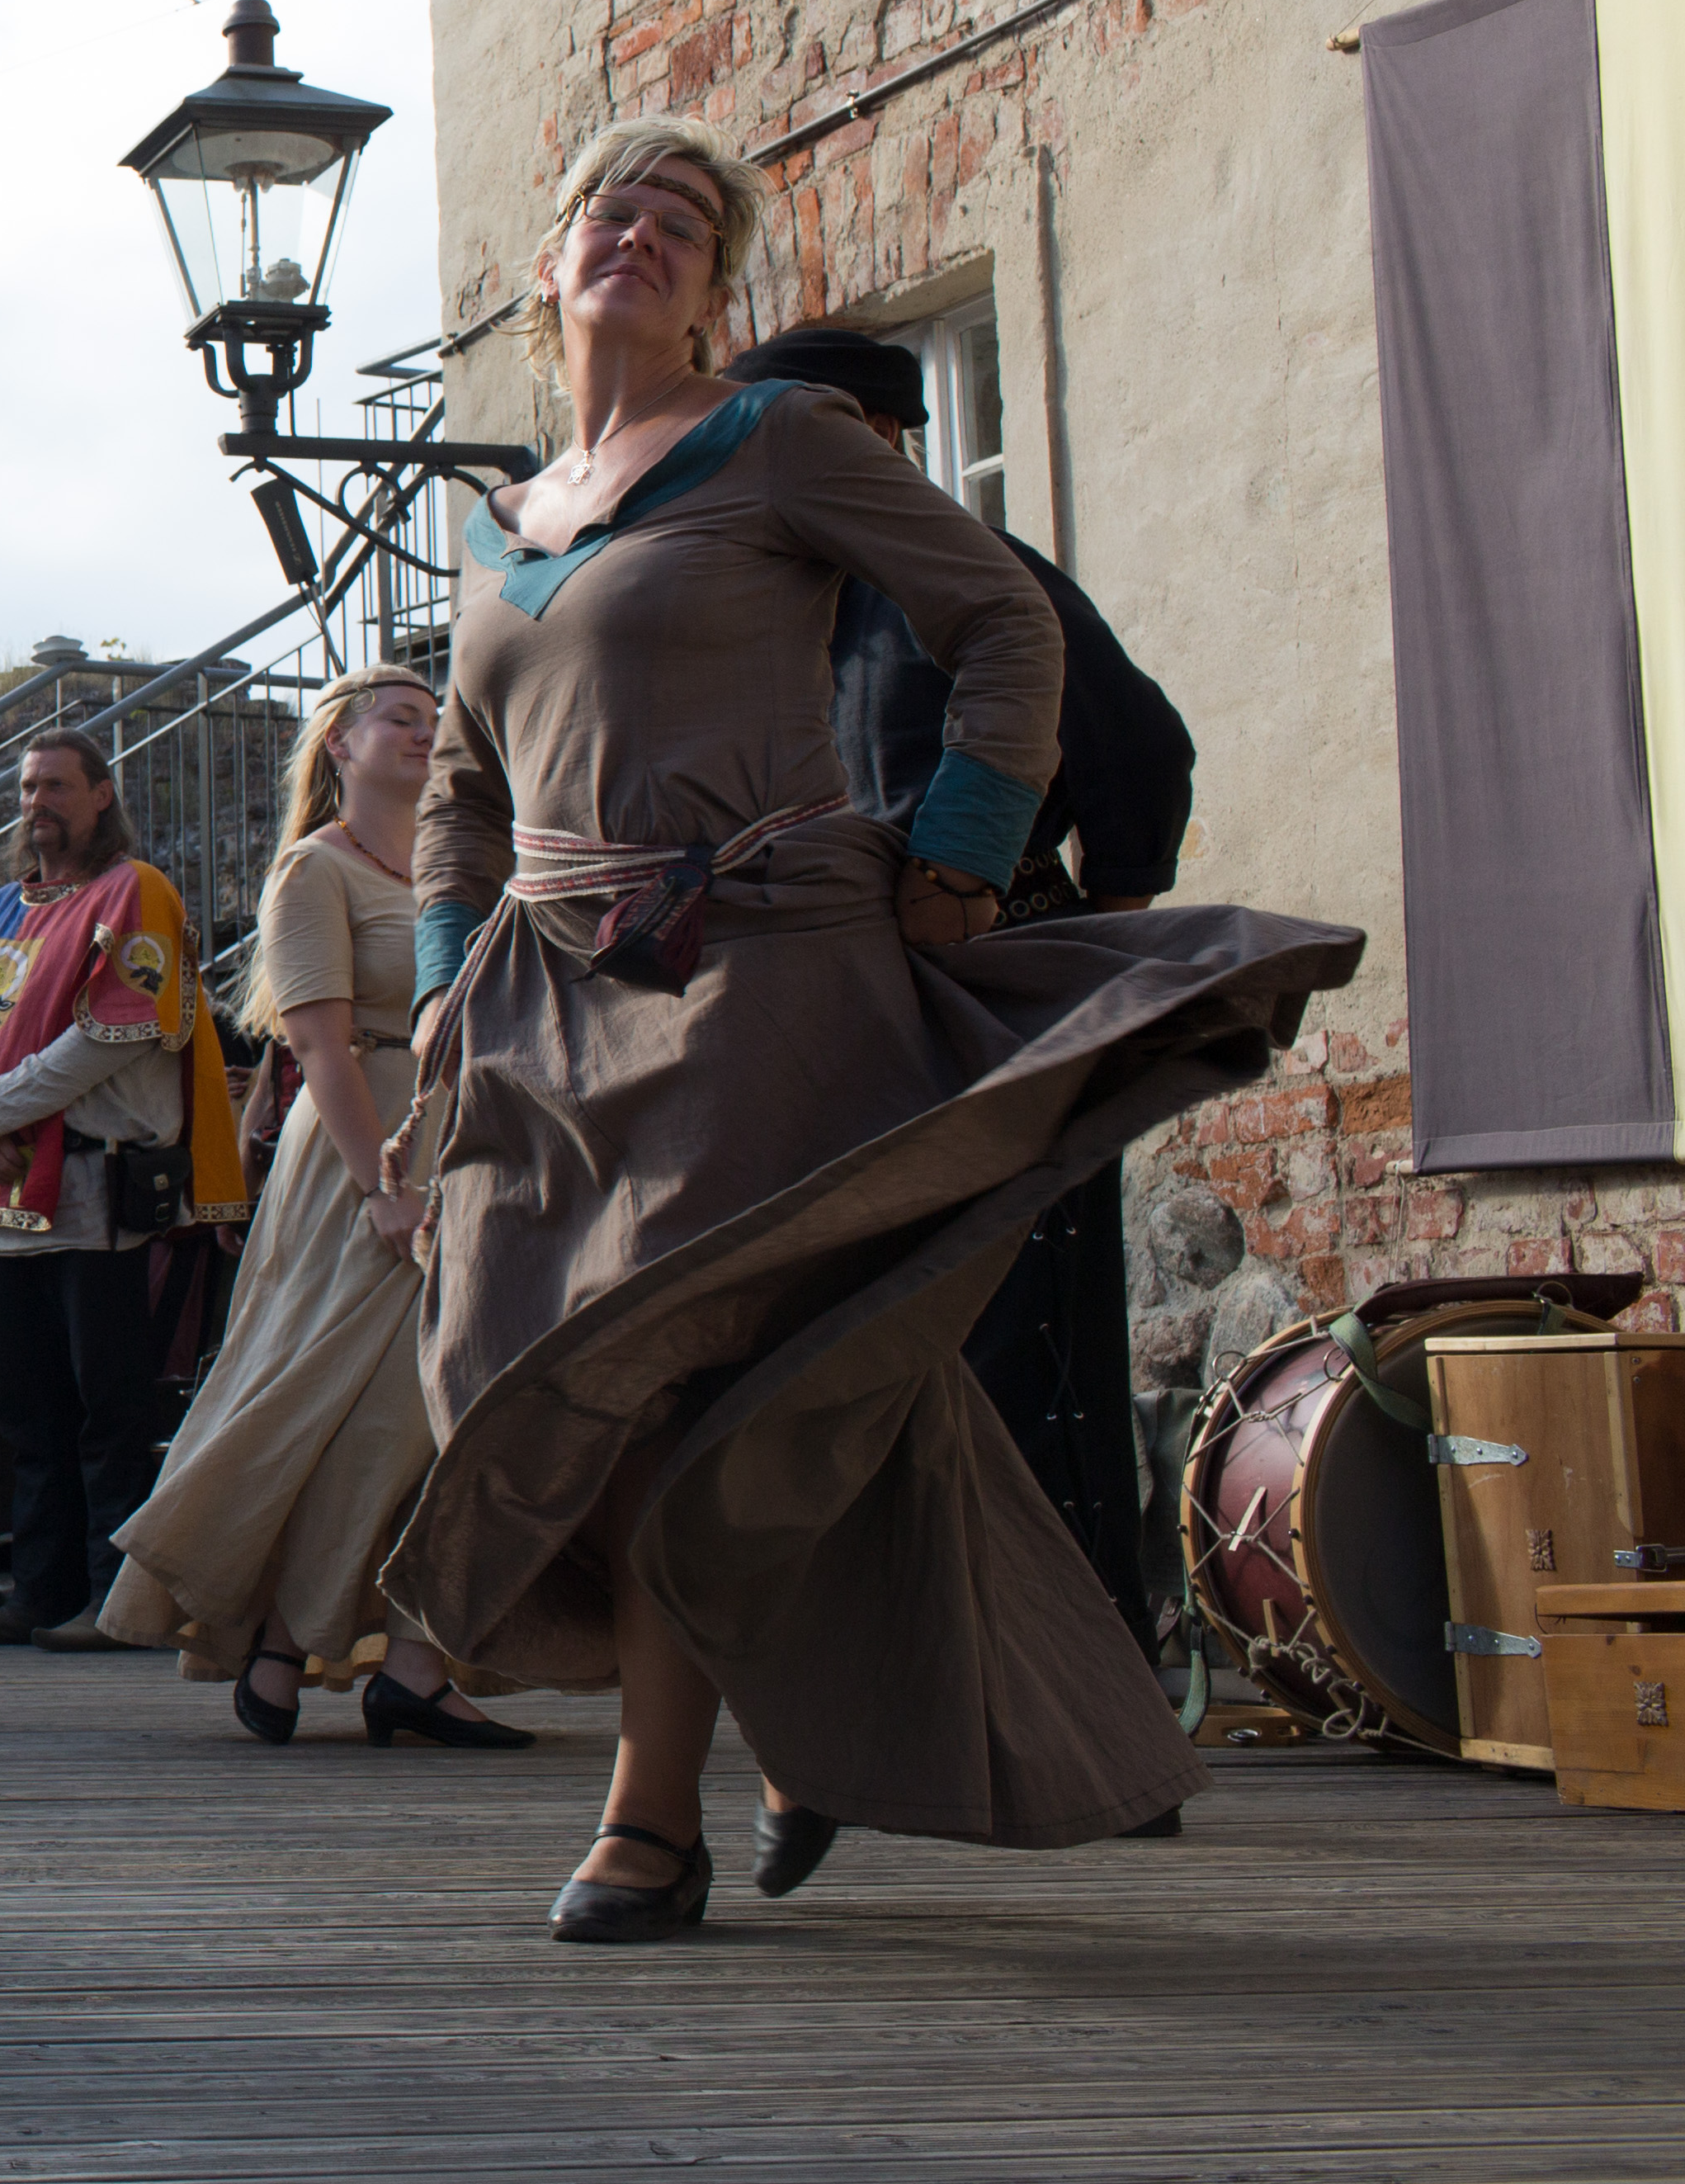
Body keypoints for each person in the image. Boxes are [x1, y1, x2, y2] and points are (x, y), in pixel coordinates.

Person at [388, 120, 1359, 1945]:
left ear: (715, 292)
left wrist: (966, 858)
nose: (644, 233)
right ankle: (819, 1722)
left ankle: (648, 1824)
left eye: (688, 224)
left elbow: (1005, 625)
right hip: (544, 1007)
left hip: (758, 971)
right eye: (614, 208)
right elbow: (460, 791)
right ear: (552, 264)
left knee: (672, 1375)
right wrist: (443, 984)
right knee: (516, 1366)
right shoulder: (509, 530)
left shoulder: (780, 441)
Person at [731, 321, 1202, 1643]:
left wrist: (1066, 954)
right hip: (824, 1020)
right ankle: (904, 1665)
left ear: (879, 441)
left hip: (989, 1003)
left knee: (1019, 1336)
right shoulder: (753, 607)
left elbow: (1138, 757)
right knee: (854, 1351)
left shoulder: (977, 577)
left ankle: (1071, 1669)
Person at [93, 664, 525, 1746]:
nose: (426, 732)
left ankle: (397, 1656)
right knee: (365, 1405)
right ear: (339, 742)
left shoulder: (464, 866)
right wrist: (384, 1186)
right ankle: (299, 1636)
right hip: (359, 1153)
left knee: (448, 1410)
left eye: (436, 720)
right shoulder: (314, 870)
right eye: (401, 718)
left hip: (469, 1145)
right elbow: (319, 1044)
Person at [0, 737, 246, 1649]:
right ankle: (40, 1590)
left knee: (109, 1403)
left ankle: (118, 1604)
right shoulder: (0, 907)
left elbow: (118, 1028)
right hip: (8, 1185)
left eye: (58, 785)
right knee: (27, 1404)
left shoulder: (134, 890)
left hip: (97, 1182)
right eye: (29, 785)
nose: (39, 800)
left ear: (102, 794)